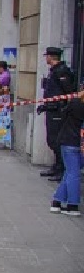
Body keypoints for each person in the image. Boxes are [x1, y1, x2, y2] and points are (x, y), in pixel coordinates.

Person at [38, 47, 77, 182]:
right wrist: (44, 105)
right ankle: (56, 166)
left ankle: (62, 169)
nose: (46, 58)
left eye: (47, 56)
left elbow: (69, 92)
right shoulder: (54, 71)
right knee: (51, 139)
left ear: (51, 57)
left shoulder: (62, 71)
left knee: (56, 141)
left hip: (58, 111)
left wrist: (64, 108)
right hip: (51, 109)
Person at [50, 84, 84, 216]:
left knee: (71, 172)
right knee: (72, 172)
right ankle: (65, 203)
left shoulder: (74, 102)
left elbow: (63, 114)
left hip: (68, 140)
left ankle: (65, 203)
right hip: (78, 143)